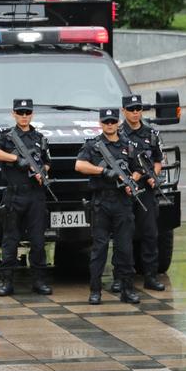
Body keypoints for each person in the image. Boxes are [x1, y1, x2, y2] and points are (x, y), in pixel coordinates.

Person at [75, 108, 145, 305]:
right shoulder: (94, 146)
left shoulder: (127, 145)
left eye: (113, 121)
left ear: (117, 123)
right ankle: (95, 291)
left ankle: (127, 289)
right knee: (99, 249)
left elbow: (139, 169)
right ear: (101, 124)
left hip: (123, 202)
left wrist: (131, 181)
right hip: (102, 202)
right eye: (106, 122)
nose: (110, 125)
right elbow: (79, 165)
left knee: (125, 248)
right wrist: (103, 171)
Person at [0, 99, 52, 297]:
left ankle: (39, 281)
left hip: (35, 195)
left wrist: (41, 171)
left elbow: (47, 162)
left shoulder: (39, 138)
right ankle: (7, 282)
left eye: (27, 112)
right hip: (14, 194)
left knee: (38, 241)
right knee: (10, 240)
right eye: (20, 112)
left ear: (32, 114)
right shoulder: (7, 136)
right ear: (13, 113)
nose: (24, 116)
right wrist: (17, 159)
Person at [116, 94, 165, 292]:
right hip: (125, 191)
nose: (135, 112)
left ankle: (150, 276)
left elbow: (158, 160)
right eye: (131, 109)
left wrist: (154, 174)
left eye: (138, 109)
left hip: (145, 189)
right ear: (123, 111)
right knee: (123, 236)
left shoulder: (151, 133)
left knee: (150, 234)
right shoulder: (117, 133)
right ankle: (121, 277)